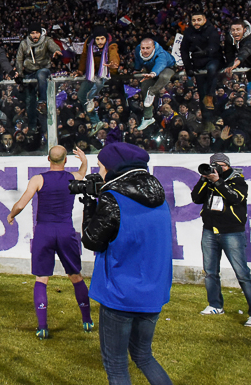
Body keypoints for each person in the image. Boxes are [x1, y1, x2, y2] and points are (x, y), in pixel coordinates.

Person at [80, 142, 173, 384]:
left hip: (121, 292)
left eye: (101, 167)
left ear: (113, 168)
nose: (99, 173)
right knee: (144, 356)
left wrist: (91, 201)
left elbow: (91, 240)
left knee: (116, 365)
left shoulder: (114, 198)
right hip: (153, 292)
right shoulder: (159, 197)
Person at [7, 146, 91, 339]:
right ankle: (86, 320)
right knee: (75, 276)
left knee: (42, 278)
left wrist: (11, 215)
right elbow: (82, 174)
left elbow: (21, 204)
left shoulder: (38, 179)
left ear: (48, 159)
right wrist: (84, 161)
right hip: (65, 230)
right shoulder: (72, 178)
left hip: (44, 231)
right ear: (66, 160)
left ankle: (43, 326)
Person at [190, 153, 251, 324]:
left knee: (242, 273)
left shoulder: (238, 180)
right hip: (209, 231)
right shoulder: (208, 182)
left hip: (232, 232)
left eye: (221, 165)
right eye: (214, 165)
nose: (217, 168)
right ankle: (215, 305)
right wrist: (204, 179)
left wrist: (218, 181)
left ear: (227, 165)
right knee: (210, 272)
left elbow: (235, 198)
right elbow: (195, 198)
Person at [15, 24, 62, 129]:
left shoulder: (46, 40)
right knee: (30, 100)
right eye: (32, 33)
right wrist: (20, 75)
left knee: (41, 75)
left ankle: (42, 101)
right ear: (29, 34)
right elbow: (19, 59)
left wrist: (56, 51)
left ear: (40, 33)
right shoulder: (24, 43)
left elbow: (53, 46)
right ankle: (32, 126)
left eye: (37, 33)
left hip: (43, 68)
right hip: (29, 71)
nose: (35, 35)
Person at [77, 26, 120, 133]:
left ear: (105, 38)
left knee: (98, 84)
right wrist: (80, 71)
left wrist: (114, 64)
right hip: (91, 73)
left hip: (104, 72)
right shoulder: (88, 43)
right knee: (81, 95)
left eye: (102, 39)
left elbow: (113, 55)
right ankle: (95, 122)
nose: (100, 42)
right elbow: (84, 56)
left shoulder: (111, 44)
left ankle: (90, 98)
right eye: (97, 39)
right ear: (94, 39)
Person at [180, 9, 222, 110]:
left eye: (199, 19)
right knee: (201, 91)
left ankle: (210, 97)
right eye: (194, 20)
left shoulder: (212, 30)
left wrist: (206, 52)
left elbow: (215, 46)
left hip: (212, 58)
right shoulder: (188, 32)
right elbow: (183, 50)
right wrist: (188, 67)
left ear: (204, 20)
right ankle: (206, 115)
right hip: (197, 62)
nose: (196, 22)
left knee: (212, 69)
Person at [134, 38, 177, 132]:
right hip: (149, 69)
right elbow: (137, 59)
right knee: (144, 87)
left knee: (164, 76)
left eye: (148, 48)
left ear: (153, 47)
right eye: (143, 48)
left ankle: (152, 92)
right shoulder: (137, 50)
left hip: (167, 67)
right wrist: (137, 69)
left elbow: (160, 64)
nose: (145, 51)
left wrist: (153, 73)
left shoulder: (160, 54)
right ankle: (148, 117)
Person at [224, 18, 251, 103]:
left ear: (244, 30)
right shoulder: (229, 38)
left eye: (238, 30)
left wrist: (238, 60)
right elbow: (229, 54)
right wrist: (230, 66)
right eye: (233, 30)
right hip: (245, 62)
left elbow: (246, 50)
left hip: (244, 58)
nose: (235, 32)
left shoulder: (249, 38)